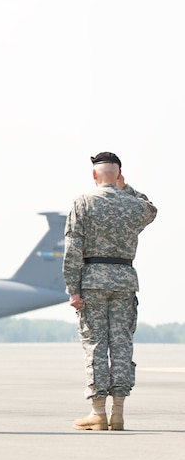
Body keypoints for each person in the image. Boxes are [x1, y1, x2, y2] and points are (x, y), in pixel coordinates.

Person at [63, 152, 157, 431]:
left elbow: (72, 250)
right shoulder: (133, 205)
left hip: (92, 280)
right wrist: (125, 187)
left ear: (94, 175)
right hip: (124, 280)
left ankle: (97, 413)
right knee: (122, 345)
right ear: (118, 175)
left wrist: (73, 289)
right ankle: (118, 412)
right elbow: (151, 208)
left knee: (95, 345)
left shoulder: (82, 203)